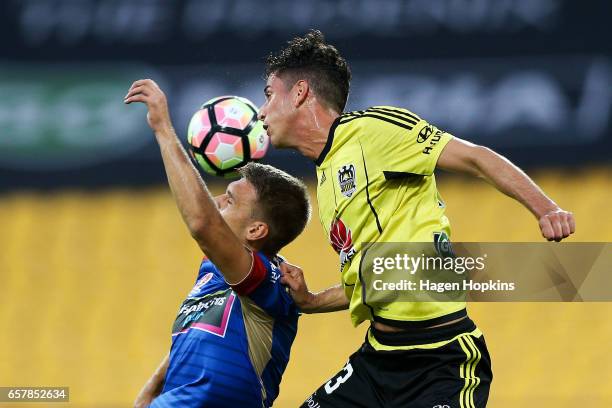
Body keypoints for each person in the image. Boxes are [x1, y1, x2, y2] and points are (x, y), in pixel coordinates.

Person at [257, 30, 576, 407]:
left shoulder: (372, 131)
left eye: (269, 95)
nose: (261, 111)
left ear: (299, 93)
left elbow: (476, 157)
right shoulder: (326, 172)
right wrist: (311, 300)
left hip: (441, 363)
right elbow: (380, 279)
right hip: (378, 361)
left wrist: (546, 208)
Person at [124, 79, 311, 408]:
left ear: (256, 230)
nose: (214, 203)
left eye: (227, 201)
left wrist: (164, 129)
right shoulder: (212, 273)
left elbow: (202, 223)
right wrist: (149, 395)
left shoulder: (270, 283)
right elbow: (189, 342)